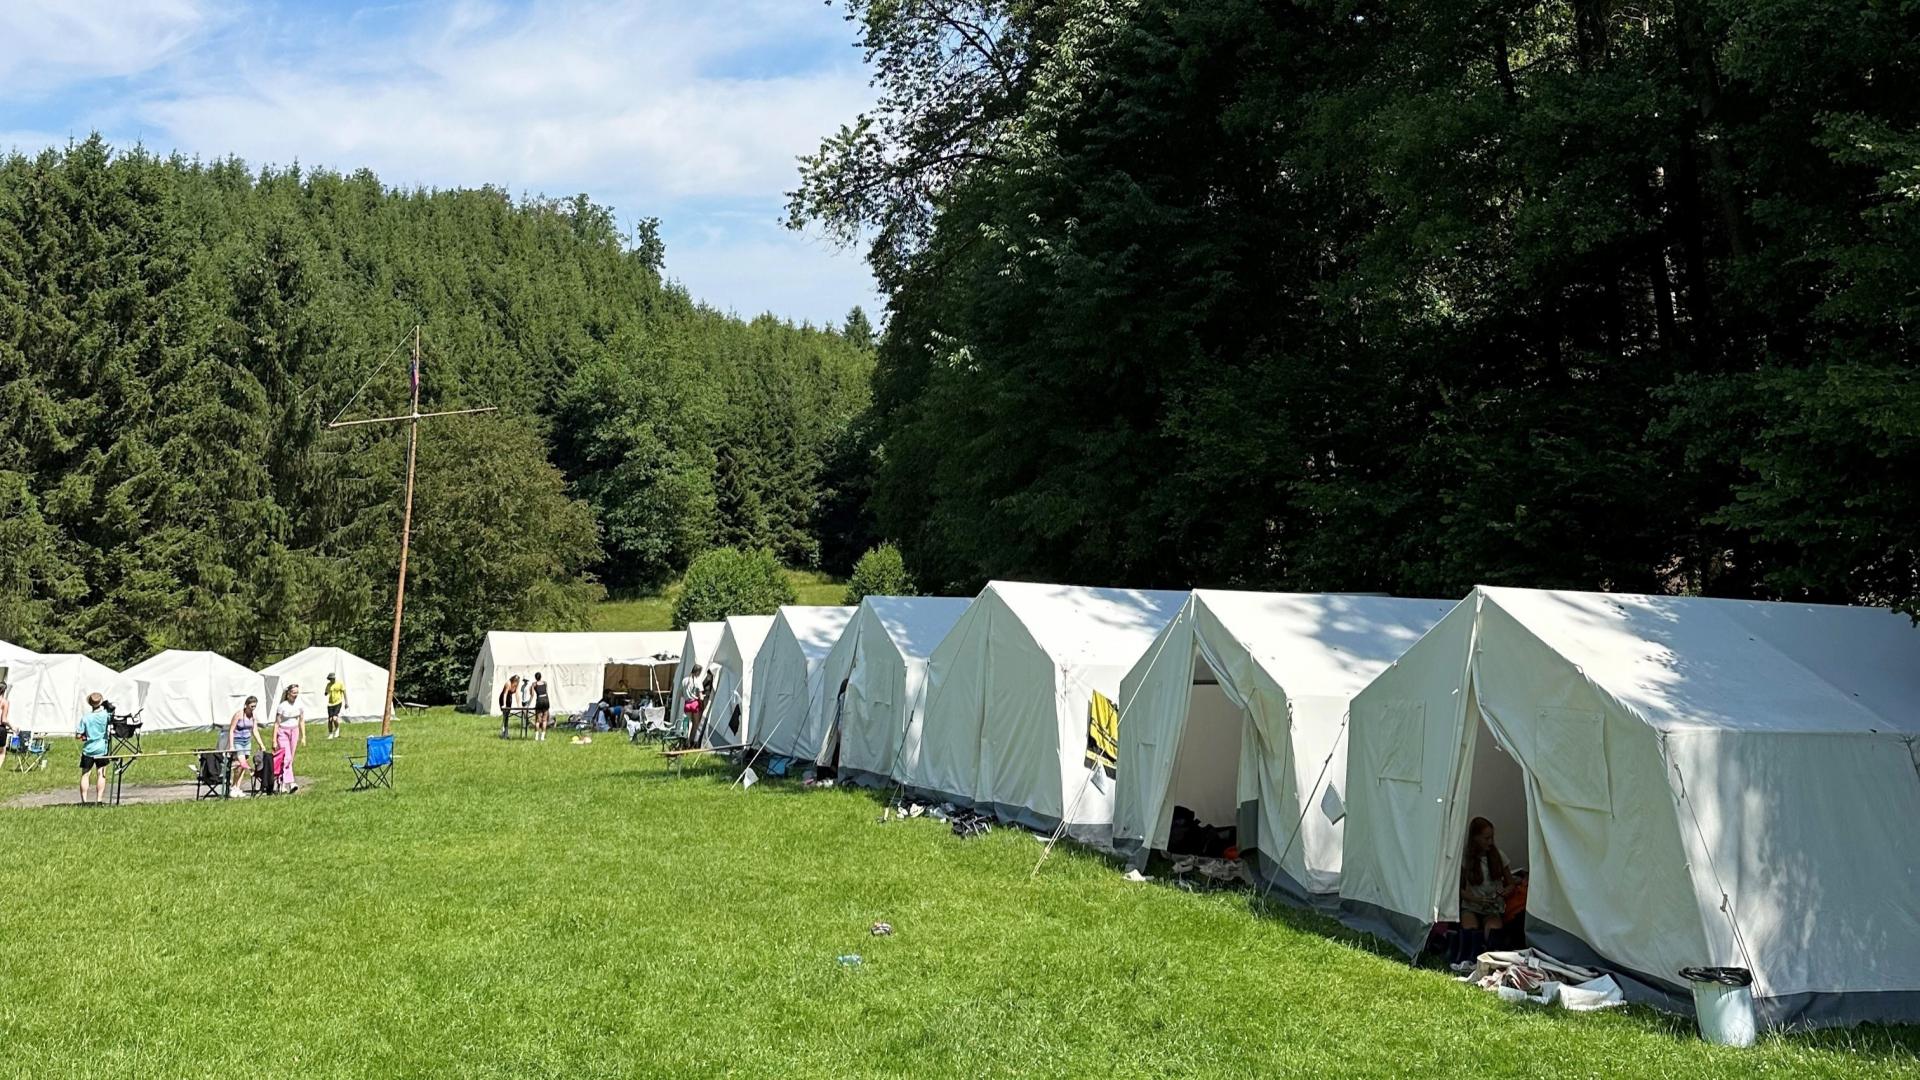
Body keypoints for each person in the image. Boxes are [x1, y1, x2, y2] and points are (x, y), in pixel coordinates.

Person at [1455, 816, 1516, 968]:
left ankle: (1489, 964)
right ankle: (1468, 963)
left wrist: (1502, 894)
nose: (1490, 842)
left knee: (1494, 933)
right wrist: (1475, 900)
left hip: (1492, 909)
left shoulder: (1498, 855)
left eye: (1492, 838)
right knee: (1470, 932)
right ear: (1475, 838)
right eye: (1486, 838)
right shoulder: (1465, 858)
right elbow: (1457, 889)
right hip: (1472, 907)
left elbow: (1511, 884)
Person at [76, 692, 111, 805]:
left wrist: (84, 736)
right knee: (101, 773)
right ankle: (99, 800)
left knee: (85, 774)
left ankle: (84, 801)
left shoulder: (86, 718)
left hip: (88, 749)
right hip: (102, 749)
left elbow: (78, 735)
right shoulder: (105, 715)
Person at [273, 684, 306, 794]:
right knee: (286, 758)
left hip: (294, 731)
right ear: (288, 694)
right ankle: (288, 782)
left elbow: (301, 721)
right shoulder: (282, 706)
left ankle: (284, 782)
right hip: (283, 732)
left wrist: (303, 736)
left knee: (290, 758)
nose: (295, 695)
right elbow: (277, 723)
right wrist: (274, 740)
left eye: (297, 692)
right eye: (293, 693)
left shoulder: (299, 705)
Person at [228, 696, 262, 793]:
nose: (253, 708)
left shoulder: (253, 716)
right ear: (246, 705)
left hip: (247, 742)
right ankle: (233, 786)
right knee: (242, 763)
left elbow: (255, 730)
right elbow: (231, 730)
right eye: (251, 706)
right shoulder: (238, 715)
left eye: (255, 706)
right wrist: (231, 745)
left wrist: (260, 744)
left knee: (242, 766)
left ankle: (237, 787)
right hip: (238, 741)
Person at [324, 672, 348, 740]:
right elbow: (326, 692)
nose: (331, 680)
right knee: (330, 719)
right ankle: (330, 733)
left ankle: (337, 729)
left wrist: (346, 702)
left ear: (334, 678)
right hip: (330, 704)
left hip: (338, 702)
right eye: (330, 679)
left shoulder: (339, 684)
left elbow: (344, 692)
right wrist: (326, 693)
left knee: (334, 718)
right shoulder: (328, 685)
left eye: (332, 678)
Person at [531, 671, 551, 742]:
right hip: (546, 700)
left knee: (538, 720)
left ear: (535, 677)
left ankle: (536, 737)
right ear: (541, 677)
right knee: (545, 720)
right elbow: (546, 691)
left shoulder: (534, 684)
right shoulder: (545, 683)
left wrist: (529, 702)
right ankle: (542, 737)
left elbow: (532, 695)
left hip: (539, 700)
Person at [499, 674, 520, 739]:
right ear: (513, 680)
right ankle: (503, 732)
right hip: (503, 698)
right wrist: (504, 704)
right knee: (505, 715)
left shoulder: (517, 684)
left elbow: (517, 694)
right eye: (515, 681)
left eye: (517, 681)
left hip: (509, 698)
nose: (516, 683)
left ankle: (506, 733)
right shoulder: (508, 683)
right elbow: (505, 694)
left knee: (507, 716)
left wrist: (519, 704)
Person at [0, 678, 11, 770]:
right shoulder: (4, 702)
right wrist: (13, 727)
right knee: (2, 752)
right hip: (1, 729)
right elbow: (4, 720)